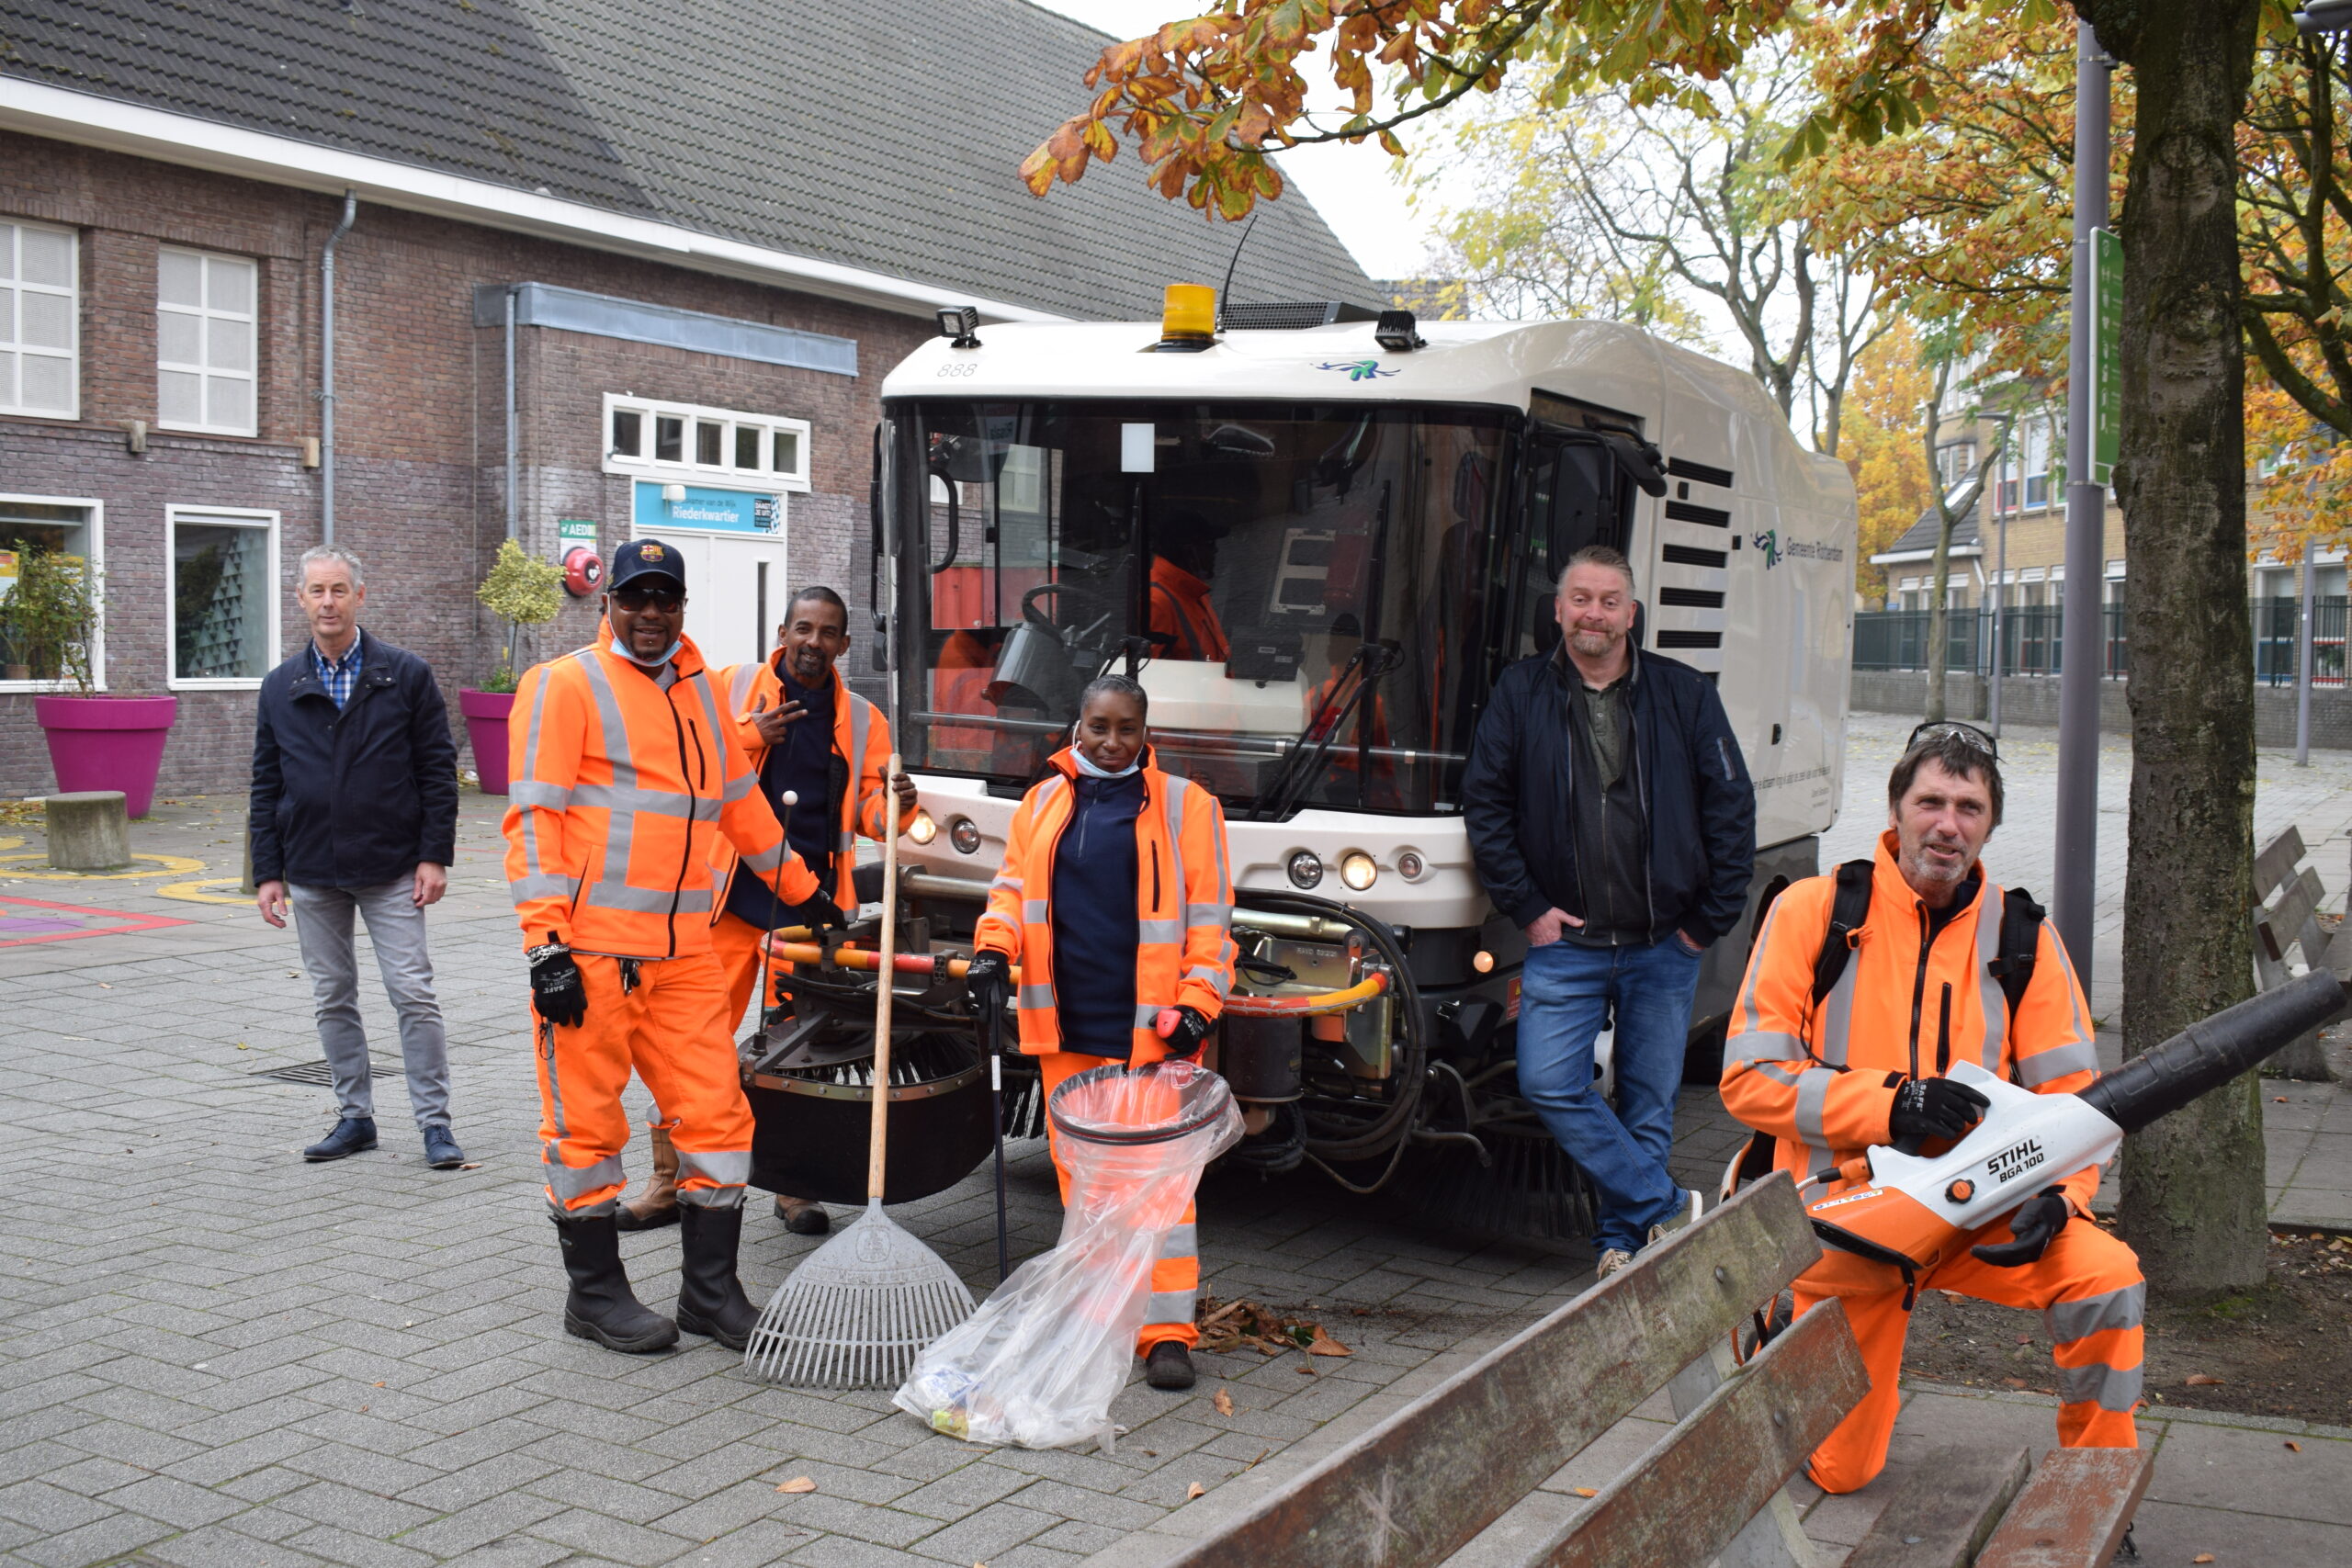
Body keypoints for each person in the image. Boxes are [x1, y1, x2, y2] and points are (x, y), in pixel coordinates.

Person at [1722, 723, 2139, 1495]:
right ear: (1896, 807)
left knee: (2105, 1274)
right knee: (1844, 1473)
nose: (1948, 824)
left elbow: (2073, 1098)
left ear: (1989, 824)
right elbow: (1749, 1078)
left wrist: (2062, 1193)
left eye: (1970, 807)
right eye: (1932, 801)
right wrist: (1893, 1104)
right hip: (1845, 1217)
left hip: (1981, 1203)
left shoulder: (2023, 935)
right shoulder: (1814, 910)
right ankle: (1777, 1337)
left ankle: (2097, 1481)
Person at [502, 538, 842, 1354]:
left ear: (682, 607)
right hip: (590, 955)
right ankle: (594, 1296)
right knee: (586, 1129)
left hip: (686, 952)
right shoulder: (563, 685)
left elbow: (739, 807)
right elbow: (534, 823)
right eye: (634, 598)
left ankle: (710, 1295)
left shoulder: (699, 694)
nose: (650, 614)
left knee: (719, 1119)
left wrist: (807, 894)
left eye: (665, 599)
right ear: (607, 604)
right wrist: (546, 946)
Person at [1462, 545, 1755, 1278]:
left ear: (1632, 612)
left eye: (1609, 600)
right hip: (1568, 940)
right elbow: (1486, 804)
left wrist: (1706, 920)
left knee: (1649, 1100)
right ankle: (1663, 1204)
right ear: (1558, 608)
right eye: (1580, 598)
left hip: (1666, 942)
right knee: (1549, 1083)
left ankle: (1622, 1247)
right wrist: (1527, 907)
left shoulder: (1685, 695)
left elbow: (1731, 806)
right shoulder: (1520, 692)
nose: (1594, 613)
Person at [963, 674, 1236, 1392]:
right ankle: (1097, 1319)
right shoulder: (1043, 801)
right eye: (1098, 727)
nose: (1111, 742)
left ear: (1147, 734)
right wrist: (992, 951)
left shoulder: (1188, 806)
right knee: (1083, 1184)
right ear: (1075, 727)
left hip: (1154, 1031)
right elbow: (1012, 891)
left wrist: (1200, 1000)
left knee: (1162, 1193)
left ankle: (1166, 1333)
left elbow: (1210, 923)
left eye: (1126, 729)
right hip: (1067, 1021)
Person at [616, 585, 912, 1237]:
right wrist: (751, 734)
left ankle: (791, 1184)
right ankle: (671, 1179)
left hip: (808, 908)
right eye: (802, 628)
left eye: (827, 632)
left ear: (844, 644)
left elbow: (870, 812)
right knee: (690, 1044)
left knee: (793, 1053)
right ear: (782, 631)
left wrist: (897, 806)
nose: (813, 642)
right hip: (727, 898)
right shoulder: (729, 685)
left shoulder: (863, 719)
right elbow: (688, 761)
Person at [251, 545, 463, 1168]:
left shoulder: (406, 674)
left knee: (413, 993)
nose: (328, 602)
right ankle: (355, 1117)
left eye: (339, 590)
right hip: (313, 868)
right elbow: (265, 784)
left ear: (360, 596)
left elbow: (437, 771)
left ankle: (434, 1123)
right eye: (316, 591)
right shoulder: (280, 686)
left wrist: (434, 855)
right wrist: (268, 871)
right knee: (332, 996)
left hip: (393, 864)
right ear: (300, 598)